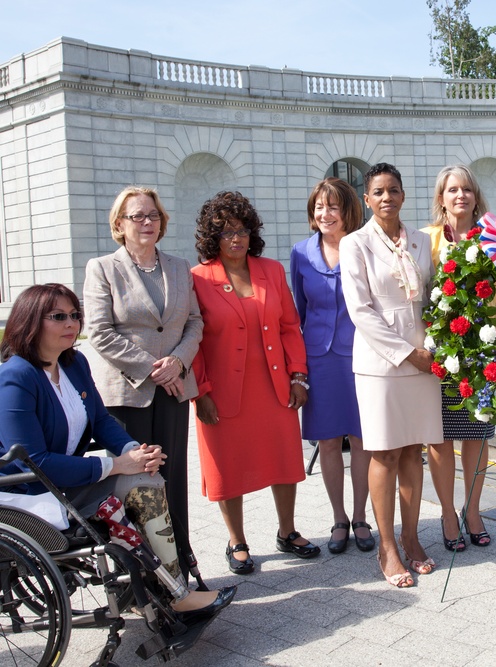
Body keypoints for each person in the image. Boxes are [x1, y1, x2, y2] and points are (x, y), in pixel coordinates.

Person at [0, 283, 235, 622]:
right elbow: (35, 463)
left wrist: (133, 450)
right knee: (135, 483)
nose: (72, 323)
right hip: (30, 493)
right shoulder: (16, 377)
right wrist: (114, 465)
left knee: (146, 477)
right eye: (59, 316)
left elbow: (98, 419)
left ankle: (168, 589)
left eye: (75, 315)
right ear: (31, 321)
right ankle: (174, 593)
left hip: (66, 481)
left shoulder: (73, 363)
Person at [191, 191, 320, 575]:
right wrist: (201, 392)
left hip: (273, 384)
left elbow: (289, 327)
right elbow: (192, 342)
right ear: (213, 237)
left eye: (242, 230)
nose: (236, 238)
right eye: (226, 231)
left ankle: (287, 531)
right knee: (226, 467)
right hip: (222, 392)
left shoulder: (271, 270)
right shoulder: (197, 279)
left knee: (283, 458)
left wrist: (299, 375)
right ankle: (237, 541)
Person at [83, 186, 204, 583]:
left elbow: (194, 323)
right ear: (120, 224)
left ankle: (181, 567)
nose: (147, 222)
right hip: (127, 393)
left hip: (173, 391)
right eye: (137, 216)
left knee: (171, 480)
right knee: (136, 484)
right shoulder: (102, 268)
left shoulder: (178, 265)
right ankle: (143, 578)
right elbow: (99, 333)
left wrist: (179, 362)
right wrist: (156, 368)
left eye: (153, 215)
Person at [341, 163, 443, 588]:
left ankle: (411, 536)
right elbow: (361, 310)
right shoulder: (355, 243)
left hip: (425, 359)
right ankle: (386, 546)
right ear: (367, 200)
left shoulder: (421, 240)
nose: (387, 198)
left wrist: (431, 349)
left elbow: (439, 296)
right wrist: (407, 353)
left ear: (404, 195)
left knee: (412, 451)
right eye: (378, 192)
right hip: (382, 364)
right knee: (384, 452)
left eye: (394, 190)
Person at [421, 165, 496, 552]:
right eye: (452, 189)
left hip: (482, 352)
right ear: (441, 197)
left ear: (476, 195)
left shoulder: (493, 240)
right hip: (439, 354)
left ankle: (473, 510)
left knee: (476, 435)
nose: (460, 196)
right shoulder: (425, 240)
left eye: (467, 189)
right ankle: (448, 513)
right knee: (439, 438)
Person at [290, 178, 375, 555]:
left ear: (348, 211)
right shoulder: (300, 252)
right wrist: (298, 369)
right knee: (326, 440)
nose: (325, 214)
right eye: (319, 207)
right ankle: (338, 518)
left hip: (360, 354)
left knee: (361, 439)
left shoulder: (363, 246)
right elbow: (298, 313)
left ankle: (360, 517)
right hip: (318, 358)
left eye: (333, 206)